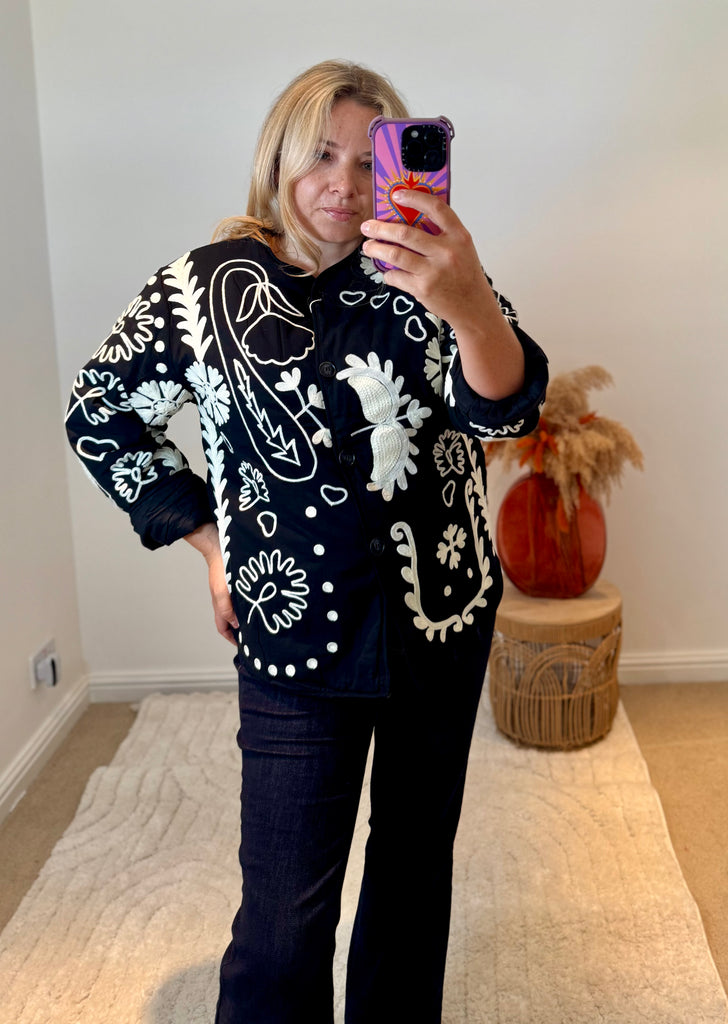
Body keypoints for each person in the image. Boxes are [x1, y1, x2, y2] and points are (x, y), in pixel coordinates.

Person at [65, 59, 548, 1024]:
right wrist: (211, 543)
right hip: (294, 636)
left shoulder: (431, 268)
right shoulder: (203, 289)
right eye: (319, 155)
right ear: (276, 158)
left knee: (412, 876)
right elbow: (100, 411)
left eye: (369, 160)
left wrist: (465, 301)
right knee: (282, 924)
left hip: (439, 619)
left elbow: (505, 413)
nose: (344, 184)